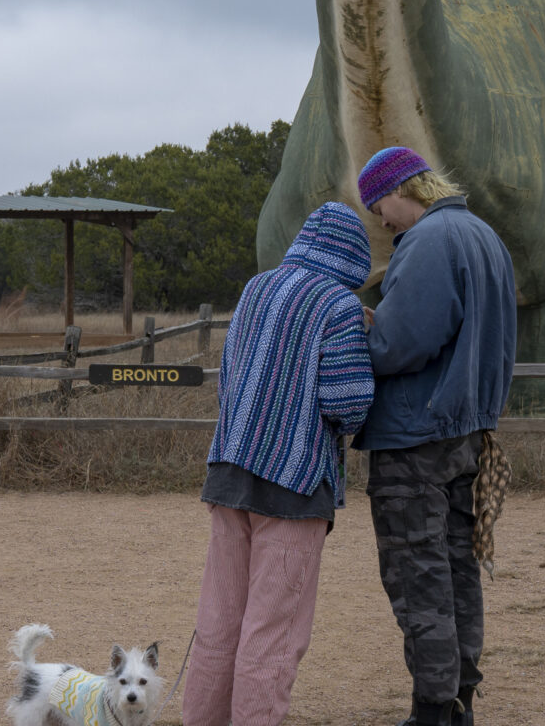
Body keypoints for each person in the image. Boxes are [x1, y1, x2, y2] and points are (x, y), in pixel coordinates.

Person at [184, 201, 376, 726]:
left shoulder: (255, 288)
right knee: (272, 634)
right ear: (353, 257)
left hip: (229, 470)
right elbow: (348, 403)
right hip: (295, 483)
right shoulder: (338, 304)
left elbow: (228, 380)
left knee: (219, 623)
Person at [354, 146, 517, 726]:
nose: (382, 222)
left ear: (401, 188)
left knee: (417, 574)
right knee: (455, 569)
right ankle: (458, 702)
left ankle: (431, 712)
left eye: (379, 207)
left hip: (415, 435)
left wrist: (365, 331)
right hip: (465, 431)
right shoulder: (484, 237)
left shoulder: (429, 241)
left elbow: (399, 346)